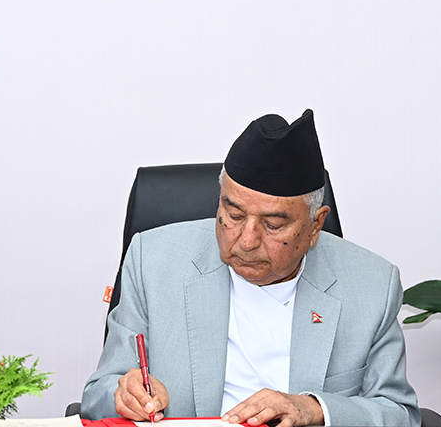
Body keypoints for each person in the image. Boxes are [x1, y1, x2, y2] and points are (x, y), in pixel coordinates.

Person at [81, 110, 419, 427]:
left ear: (315, 226)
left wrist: (316, 409)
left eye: (273, 225)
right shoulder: (154, 261)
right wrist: (123, 396)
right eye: (234, 215)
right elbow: (97, 396)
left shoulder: (373, 285)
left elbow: (400, 413)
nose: (246, 241)